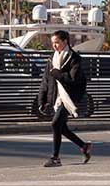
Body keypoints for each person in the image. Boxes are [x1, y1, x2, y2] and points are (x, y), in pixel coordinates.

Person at [39, 30, 92, 167]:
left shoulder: (74, 58)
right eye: (53, 43)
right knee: (62, 128)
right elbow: (45, 81)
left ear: (65, 41)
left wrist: (58, 74)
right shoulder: (52, 59)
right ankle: (83, 146)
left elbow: (73, 79)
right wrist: (42, 100)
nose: (54, 46)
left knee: (55, 123)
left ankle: (55, 158)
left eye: (56, 42)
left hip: (70, 98)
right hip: (57, 97)